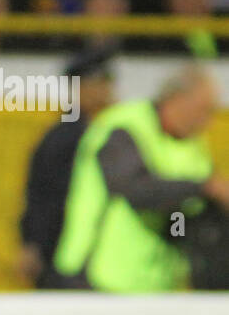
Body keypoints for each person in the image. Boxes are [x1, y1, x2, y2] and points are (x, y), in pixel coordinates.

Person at [54, 65, 229, 291]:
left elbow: (181, 215)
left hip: (154, 284)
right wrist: (204, 187)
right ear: (176, 99)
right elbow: (135, 190)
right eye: (203, 110)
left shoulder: (194, 148)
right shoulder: (124, 127)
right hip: (95, 276)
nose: (207, 121)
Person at [18, 47, 117, 287]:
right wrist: (34, 244)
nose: (108, 90)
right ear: (80, 89)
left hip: (99, 254)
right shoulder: (64, 138)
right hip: (63, 256)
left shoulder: (107, 131)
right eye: (100, 83)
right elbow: (42, 196)